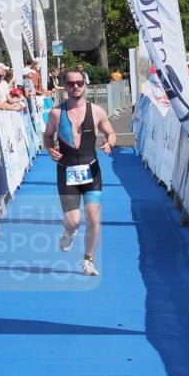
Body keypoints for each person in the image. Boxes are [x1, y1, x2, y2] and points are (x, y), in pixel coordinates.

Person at [42, 67, 116, 277]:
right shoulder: (56, 113)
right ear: (64, 86)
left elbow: (110, 133)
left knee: (93, 218)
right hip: (67, 172)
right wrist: (50, 149)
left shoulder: (97, 111)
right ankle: (69, 231)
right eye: (71, 83)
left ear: (85, 84)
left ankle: (88, 261)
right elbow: (47, 136)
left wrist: (109, 143)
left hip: (91, 171)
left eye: (79, 83)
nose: (75, 87)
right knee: (74, 220)